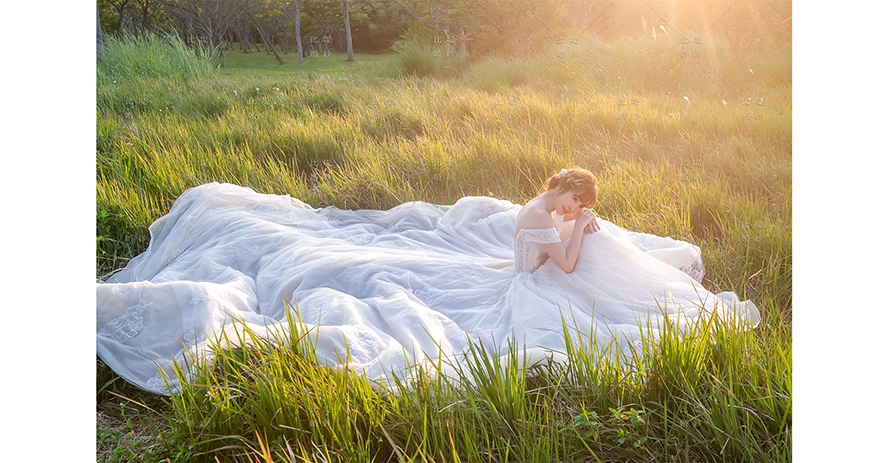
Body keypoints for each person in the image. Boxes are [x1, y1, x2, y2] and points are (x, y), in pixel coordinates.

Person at [97, 170, 760, 395]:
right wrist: (579, 238)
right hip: (523, 279)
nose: (566, 212)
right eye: (569, 203)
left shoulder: (538, 209)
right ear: (560, 192)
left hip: (521, 266)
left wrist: (578, 231)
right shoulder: (539, 219)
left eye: (571, 207)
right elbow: (546, 266)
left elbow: (545, 244)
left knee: (598, 250)